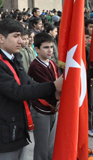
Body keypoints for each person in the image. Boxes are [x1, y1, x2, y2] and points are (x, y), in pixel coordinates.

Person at [0, 18, 63, 160]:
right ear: (1, 38)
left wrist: (55, 93)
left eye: (20, 37)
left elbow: (30, 83)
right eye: (16, 36)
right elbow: (17, 91)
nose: (21, 41)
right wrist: (53, 86)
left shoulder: (14, 57)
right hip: (3, 131)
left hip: (17, 127)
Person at [28, 32, 60, 160]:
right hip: (40, 109)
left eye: (51, 47)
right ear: (37, 49)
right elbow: (48, 87)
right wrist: (58, 98)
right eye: (46, 47)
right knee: (42, 147)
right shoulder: (35, 66)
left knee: (51, 144)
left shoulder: (52, 64)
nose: (50, 50)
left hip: (52, 108)